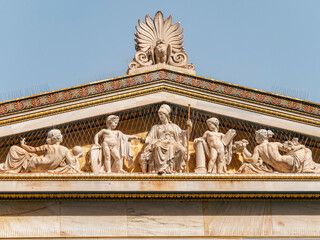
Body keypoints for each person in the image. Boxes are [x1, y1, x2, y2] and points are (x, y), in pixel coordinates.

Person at [237, 129, 320, 173]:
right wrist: (301, 146)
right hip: (288, 163)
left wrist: (244, 149)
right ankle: (306, 169)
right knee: (307, 150)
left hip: (280, 169)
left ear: (260, 137)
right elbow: (289, 149)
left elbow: (253, 161)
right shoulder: (275, 143)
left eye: (256, 136)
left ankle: (309, 168)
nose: (254, 138)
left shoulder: (258, 148)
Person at [140, 104, 192, 174]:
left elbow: (184, 135)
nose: (160, 116)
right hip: (161, 142)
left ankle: (177, 168)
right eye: (159, 114)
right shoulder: (156, 127)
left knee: (182, 150)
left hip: (173, 143)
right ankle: (161, 168)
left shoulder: (174, 127)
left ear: (166, 115)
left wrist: (190, 126)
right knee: (157, 146)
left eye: (161, 114)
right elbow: (150, 137)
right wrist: (145, 140)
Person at [0, 129, 82, 173]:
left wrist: (23, 145)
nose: (62, 136)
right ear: (57, 138)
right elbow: (71, 162)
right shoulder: (65, 149)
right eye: (61, 135)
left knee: (13, 148)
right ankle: (9, 168)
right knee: (31, 155)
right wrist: (77, 156)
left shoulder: (48, 146)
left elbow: (34, 149)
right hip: (47, 167)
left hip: (36, 163)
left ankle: (8, 168)